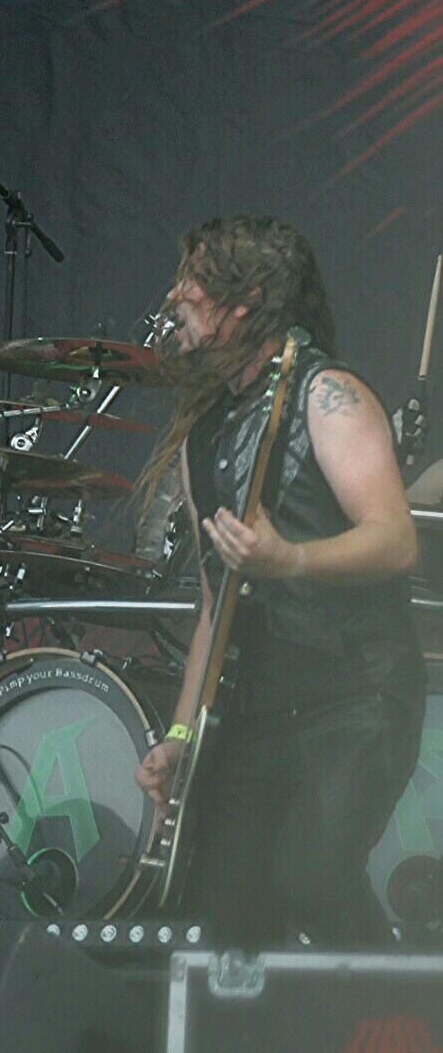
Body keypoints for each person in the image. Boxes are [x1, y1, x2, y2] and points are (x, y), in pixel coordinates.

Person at [134, 214, 424, 944]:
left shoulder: (329, 395)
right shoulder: (204, 432)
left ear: (246, 303)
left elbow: (395, 538)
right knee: (224, 916)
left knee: (311, 880)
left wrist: (288, 558)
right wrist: (180, 735)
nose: (173, 296)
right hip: (259, 713)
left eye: (194, 281)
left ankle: (400, 1005)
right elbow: (214, 604)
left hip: (357, 696)